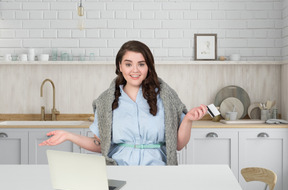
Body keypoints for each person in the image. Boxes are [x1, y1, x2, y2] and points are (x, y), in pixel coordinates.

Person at [39, 40, 207, 166]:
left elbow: (178, 145)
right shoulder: (106, 101)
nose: (135, 70)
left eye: (141, 64)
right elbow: (100, 145)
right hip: (119, 170)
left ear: (148, 66)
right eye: (128, 64)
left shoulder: (166, 97)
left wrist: (188, 119)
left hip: (158, 171)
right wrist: (69, 135)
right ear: (120, 66)